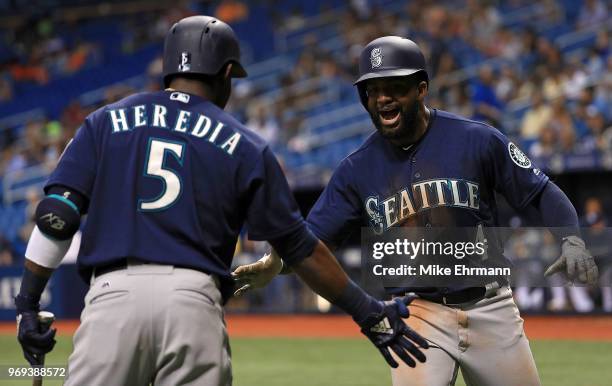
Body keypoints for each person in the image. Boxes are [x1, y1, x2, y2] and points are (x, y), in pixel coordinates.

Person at [14, 19, 429, 386]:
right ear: (227, 73)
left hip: (112, 299)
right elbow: (300, 249)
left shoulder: (104, 121)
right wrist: (368, 312)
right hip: (193, 303)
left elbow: (57, 217)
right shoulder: (246, 145)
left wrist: (28, 304)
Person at [232, 36, 599, 386]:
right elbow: (309, 242)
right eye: (372, 91)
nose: (382, 98)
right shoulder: (355, 170)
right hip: (415, 313)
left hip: (490, 306)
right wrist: (276, 261)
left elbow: (541, 192)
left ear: (421, 88)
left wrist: (571, 240)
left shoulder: (476, 139)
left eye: (394, 87)